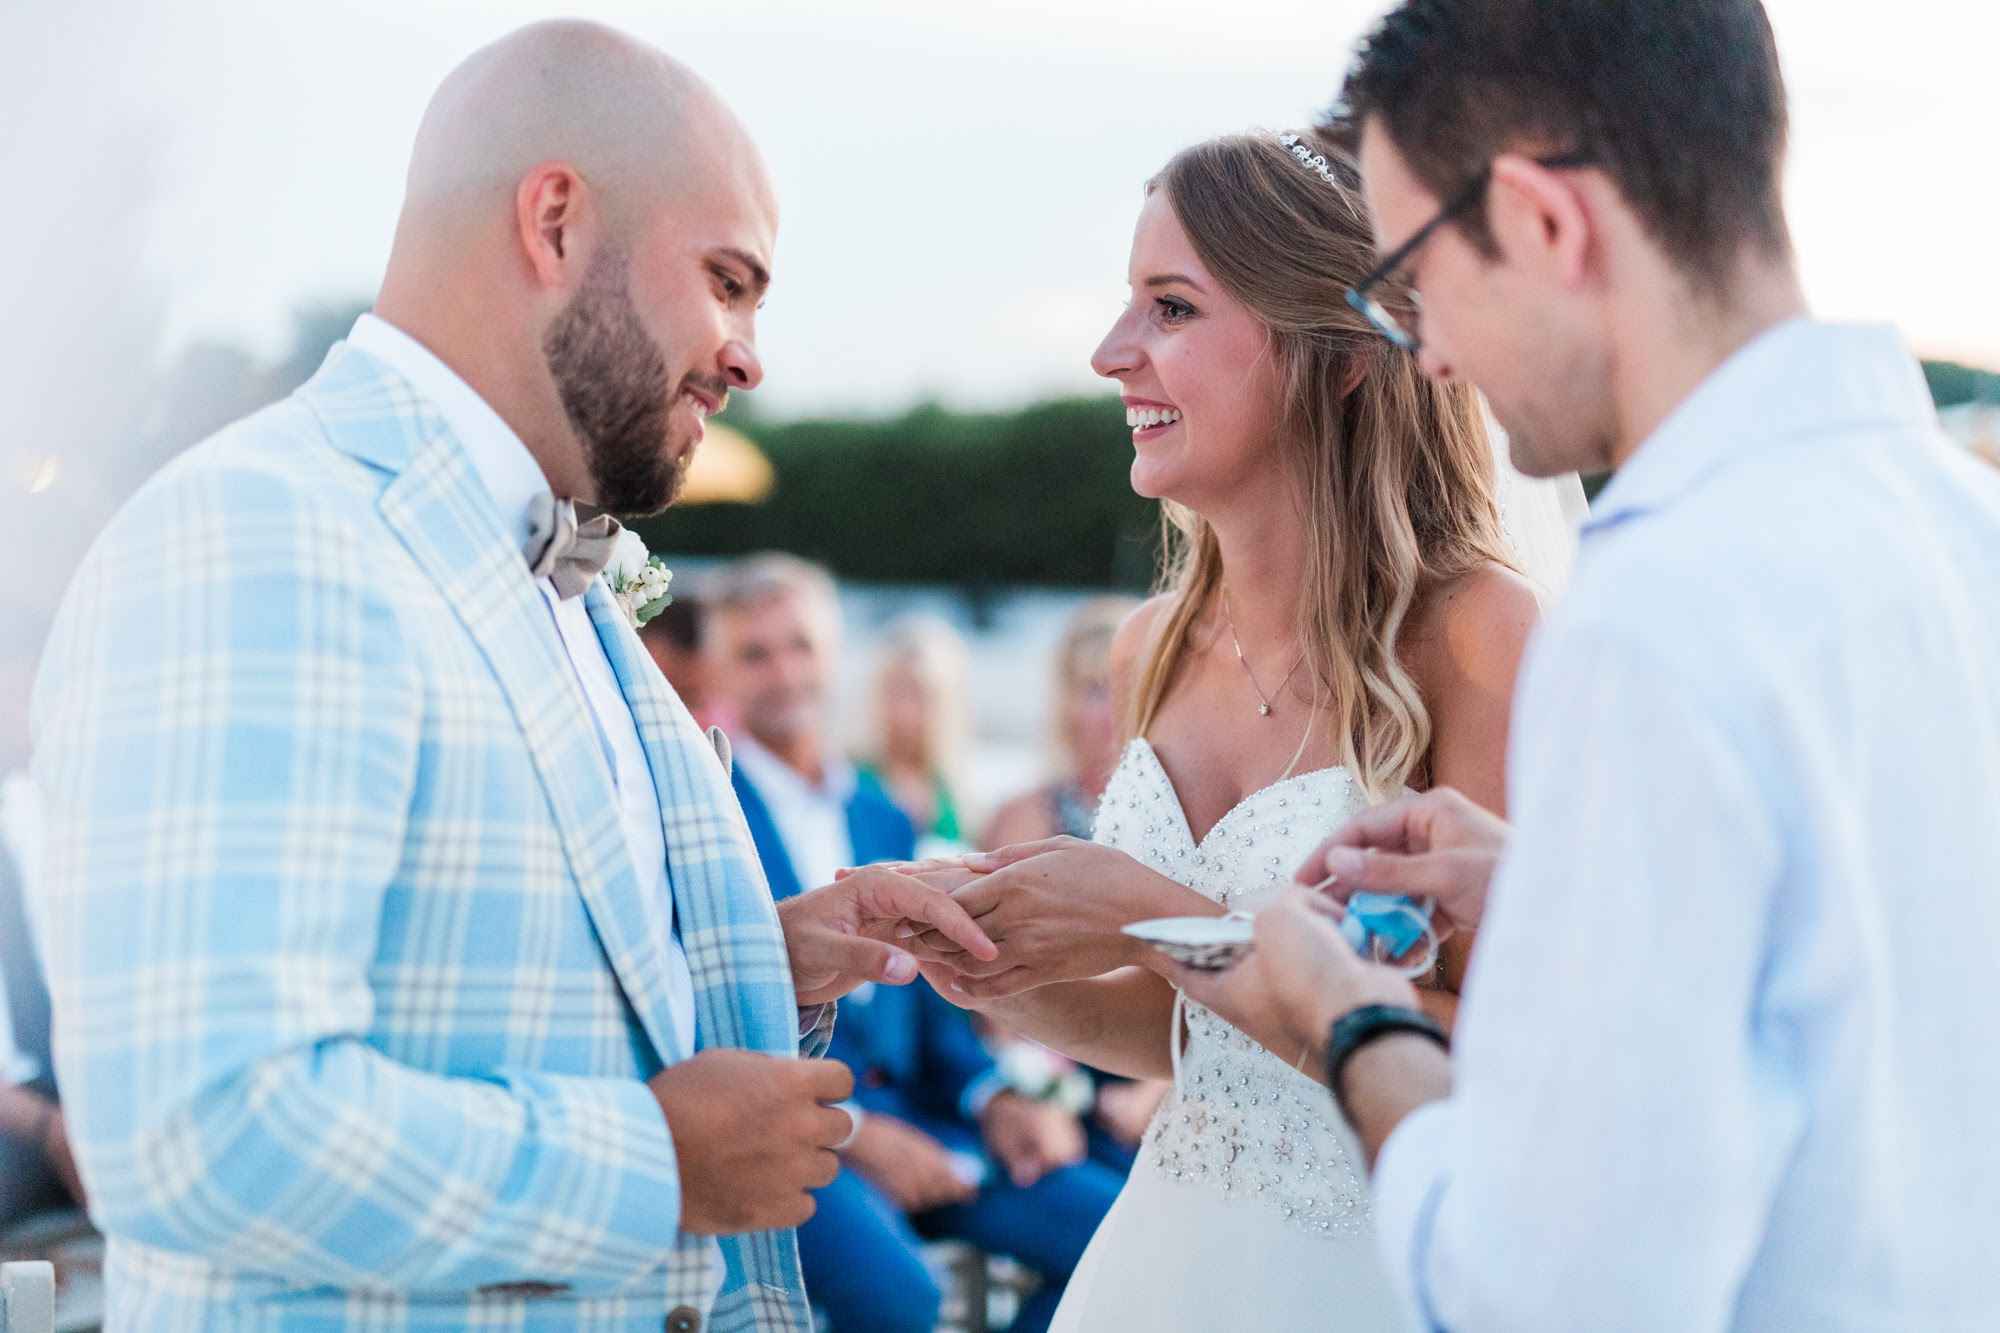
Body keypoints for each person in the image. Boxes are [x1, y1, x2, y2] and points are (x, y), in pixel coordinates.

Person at [25, 22, 991, 1330]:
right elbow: (194, 1129)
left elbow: (493, 986)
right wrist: (655, 1162)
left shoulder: (569, 585)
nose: (749, 354)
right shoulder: (261, 531)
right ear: (554, 223)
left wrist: (767, 964)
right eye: (728, 280)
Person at [1171, 2, 2000, 1329]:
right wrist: (1563, 891)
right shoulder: (1966, 532)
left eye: (1415, 283)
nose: (1425, 353)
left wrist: (1346, 1021)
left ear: (1544, 222)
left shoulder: (1660, 612)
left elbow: (1553, 1290)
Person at [899, 128, 1560, 1329]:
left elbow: (1508, 1062)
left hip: (1371, 1272)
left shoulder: (1477, 636)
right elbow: (1195, 1038)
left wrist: (1149, 918)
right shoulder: (1151, 644)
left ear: (1343, 355)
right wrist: (1002, 977)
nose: (1110, 355)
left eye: (1169, 308)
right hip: (1164, 1259)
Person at [706, 554, 1120, 1333]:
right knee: (905, 1300)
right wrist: (860, 1133)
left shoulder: (882, 813)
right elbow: (706, 1012)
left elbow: (934, 1015)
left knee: (1114, 1233)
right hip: (800, 1136)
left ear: (832, 657)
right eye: (754, 653)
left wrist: (996, 1098)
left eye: (799, 645)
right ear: (724, 668)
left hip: (937, 1125)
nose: (782, 671)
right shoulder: (709, 811)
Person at [980, 596, 1168, 1167]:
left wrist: (1157, 1090)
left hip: (1160, 1067)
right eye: (1095, 691)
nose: (1114, 712)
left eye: (1131, 691)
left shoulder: (1178, 825)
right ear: (1065, 706)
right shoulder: (1024, 818)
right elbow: (993, 985)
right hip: (1055, 1064)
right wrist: (1041, 1088)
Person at [857, 613, 974, 847]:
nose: (906, 708)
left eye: (919, 694)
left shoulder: (953, 792)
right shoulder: (852, 781)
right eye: (898, 690)